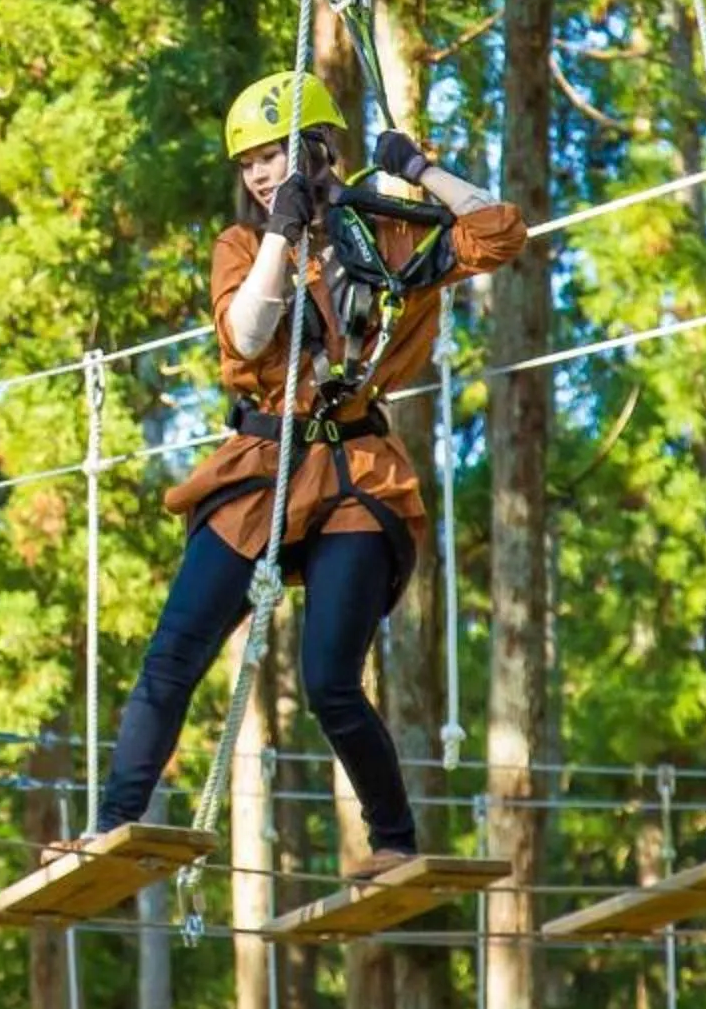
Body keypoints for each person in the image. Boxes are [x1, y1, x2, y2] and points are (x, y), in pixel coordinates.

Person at [83, 68, 526, 873]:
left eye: (274, 152)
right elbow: (248, 337)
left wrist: (421, 171)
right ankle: (114, 822)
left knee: (330, 679)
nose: (258, 172)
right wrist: (282, 238)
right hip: (261, 466)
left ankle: (393, 841)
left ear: (319, 148)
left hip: (357, 470)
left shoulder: (383, 234)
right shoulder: (245, 245)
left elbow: (499, 234)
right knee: (174, 652)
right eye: (248, 160)